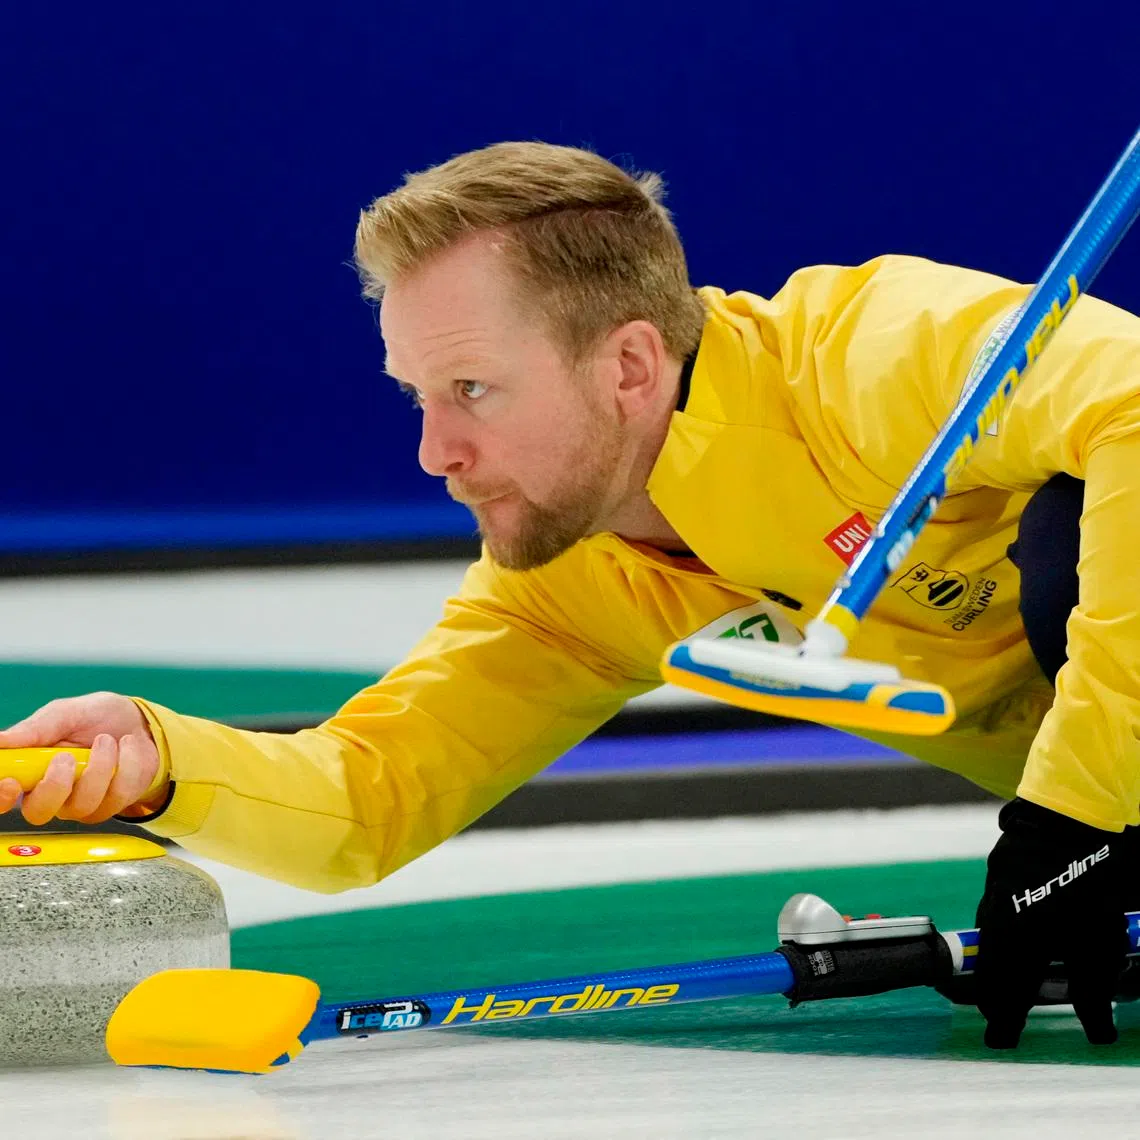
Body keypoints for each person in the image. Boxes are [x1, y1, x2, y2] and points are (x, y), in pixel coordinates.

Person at [1, 142, 1138, 1050]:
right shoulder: (569, 580)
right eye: (417, 398)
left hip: (1095, 797)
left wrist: (1074, 815)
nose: (435, 451)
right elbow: (366, 798)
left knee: (1068, 532)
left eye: (473, 389)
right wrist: (157, 756)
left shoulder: (879, 354)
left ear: (630, 366)